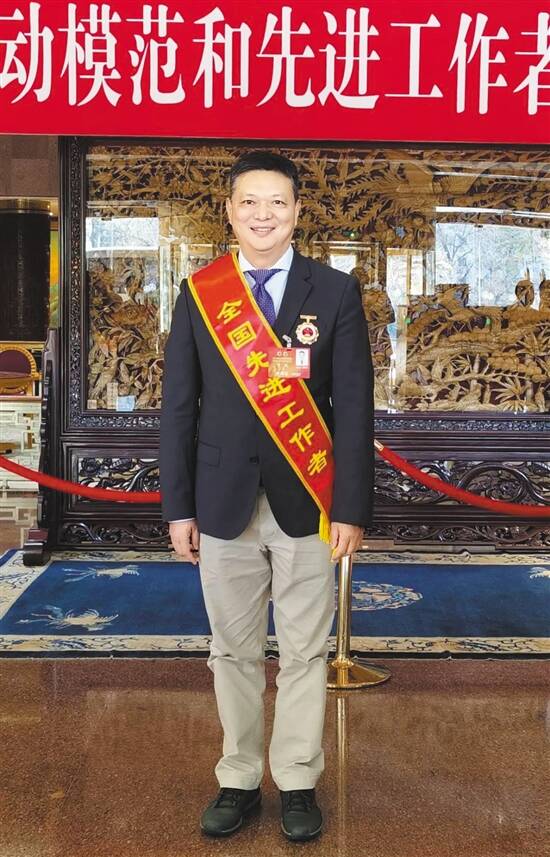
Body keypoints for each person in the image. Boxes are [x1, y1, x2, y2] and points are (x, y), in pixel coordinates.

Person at [160, 150, 374, 842]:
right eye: (249, 201)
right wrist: (178, 506)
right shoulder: (201, 293)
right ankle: (240, 776)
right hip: (220, 500)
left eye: (277, 202)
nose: (263, 214)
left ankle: (299, 780)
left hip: (307, 498)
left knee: (306, 650)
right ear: (228, 210)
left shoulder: (334, 291)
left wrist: (350, 507)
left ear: (297, 211)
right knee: (232, 651)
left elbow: (354, 409)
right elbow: (179, 408)